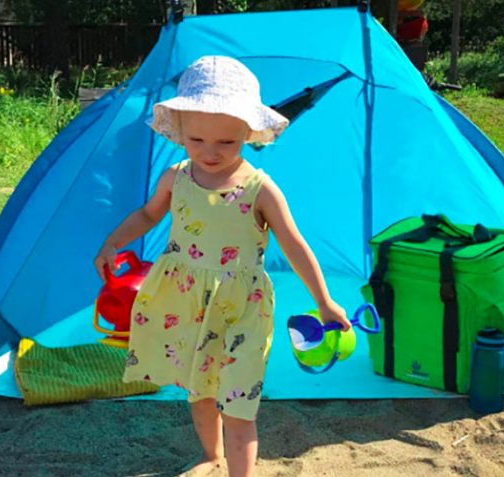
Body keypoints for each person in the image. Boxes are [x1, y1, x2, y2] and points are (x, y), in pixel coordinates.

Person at [94, 56, 351, 477]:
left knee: (239, 404)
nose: (210, 153)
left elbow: (295, 244)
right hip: (187, 301)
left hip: (241, 309)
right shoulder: (175, 178)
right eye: (196, 140)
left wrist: (324, 302)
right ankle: (211, 455)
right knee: (198, 391)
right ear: (179, 131)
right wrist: (113, 242)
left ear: (248, 134)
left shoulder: (259, 189)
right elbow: (146, 215)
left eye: (226, 143)